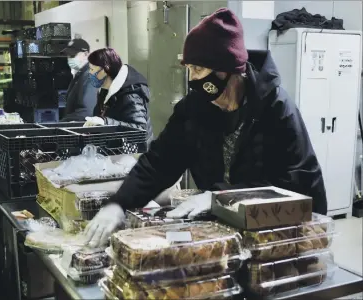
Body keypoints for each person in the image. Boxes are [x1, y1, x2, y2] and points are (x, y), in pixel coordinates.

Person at [83, 8, 327, 246]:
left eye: (198, 69)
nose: (192, 80)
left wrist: (221, 198)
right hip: (222, 235)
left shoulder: (276, 108)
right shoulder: (196, 107)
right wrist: (119, 203)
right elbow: (160, 161)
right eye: (188, 69)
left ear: (226, 71)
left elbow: (298, 185)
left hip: (272, 237)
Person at [83, 48, 154, 145]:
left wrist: (105, 122)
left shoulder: (130, 94)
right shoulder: (104, 92)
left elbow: (140, 129)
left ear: (105, 69)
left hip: (134, 152)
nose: (90, 73)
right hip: (116, 149)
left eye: (92, 69)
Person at [60, 38, 97, 121]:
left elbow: (86, 112)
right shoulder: (79, 75)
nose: (69, 58)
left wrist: (63, 123)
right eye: (68, 55)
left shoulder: (90, 76)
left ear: (86, 54)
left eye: (72, 55)